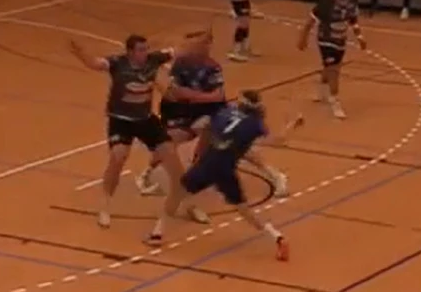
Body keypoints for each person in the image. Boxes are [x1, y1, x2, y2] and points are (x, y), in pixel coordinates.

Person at [147, 91, 297, 257]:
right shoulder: (256, 125)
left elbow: (204, 129)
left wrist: (199, 153)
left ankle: (157, 233)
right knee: (244, 210)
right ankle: (277, 237)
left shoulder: (225, 112)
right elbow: (277, 141)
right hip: (226, 170)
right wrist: (291, 126)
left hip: (208, 165)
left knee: (177, 193)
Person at [68, 35, 188, 230]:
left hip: (145, 119)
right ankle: (105, 207)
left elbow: (178, 50)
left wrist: (197, 39)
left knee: (170, 154)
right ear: (130, 52)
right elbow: (95, 63)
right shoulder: (118, 63)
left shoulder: (154, 59)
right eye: (140, 50)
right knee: (118, 157)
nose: (145, 53)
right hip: (121, 120)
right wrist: (80, 52)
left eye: (146, 49)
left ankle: (187, 200)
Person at [137, 30, 227, 209]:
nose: (193, 47)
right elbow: (173, 94)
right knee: (169, 142)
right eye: (192, 44)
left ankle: (199, 170)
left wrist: (192, 96)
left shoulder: (212, 67)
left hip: (201, 112)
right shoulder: (180, 64)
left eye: (200, 43)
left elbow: (217, 96)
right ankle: (145, 175)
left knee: (212, 130)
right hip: (179, 113)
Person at [299, 0, 364, 120]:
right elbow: (311, 19)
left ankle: (322, 90)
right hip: (326, 39)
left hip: (340, 40)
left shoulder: (352, 1)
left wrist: (360, 37)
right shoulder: (327, 0)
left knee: (330, 68)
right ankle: (335, 101)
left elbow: (353, 21)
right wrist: (303, 38)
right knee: (334, 70)